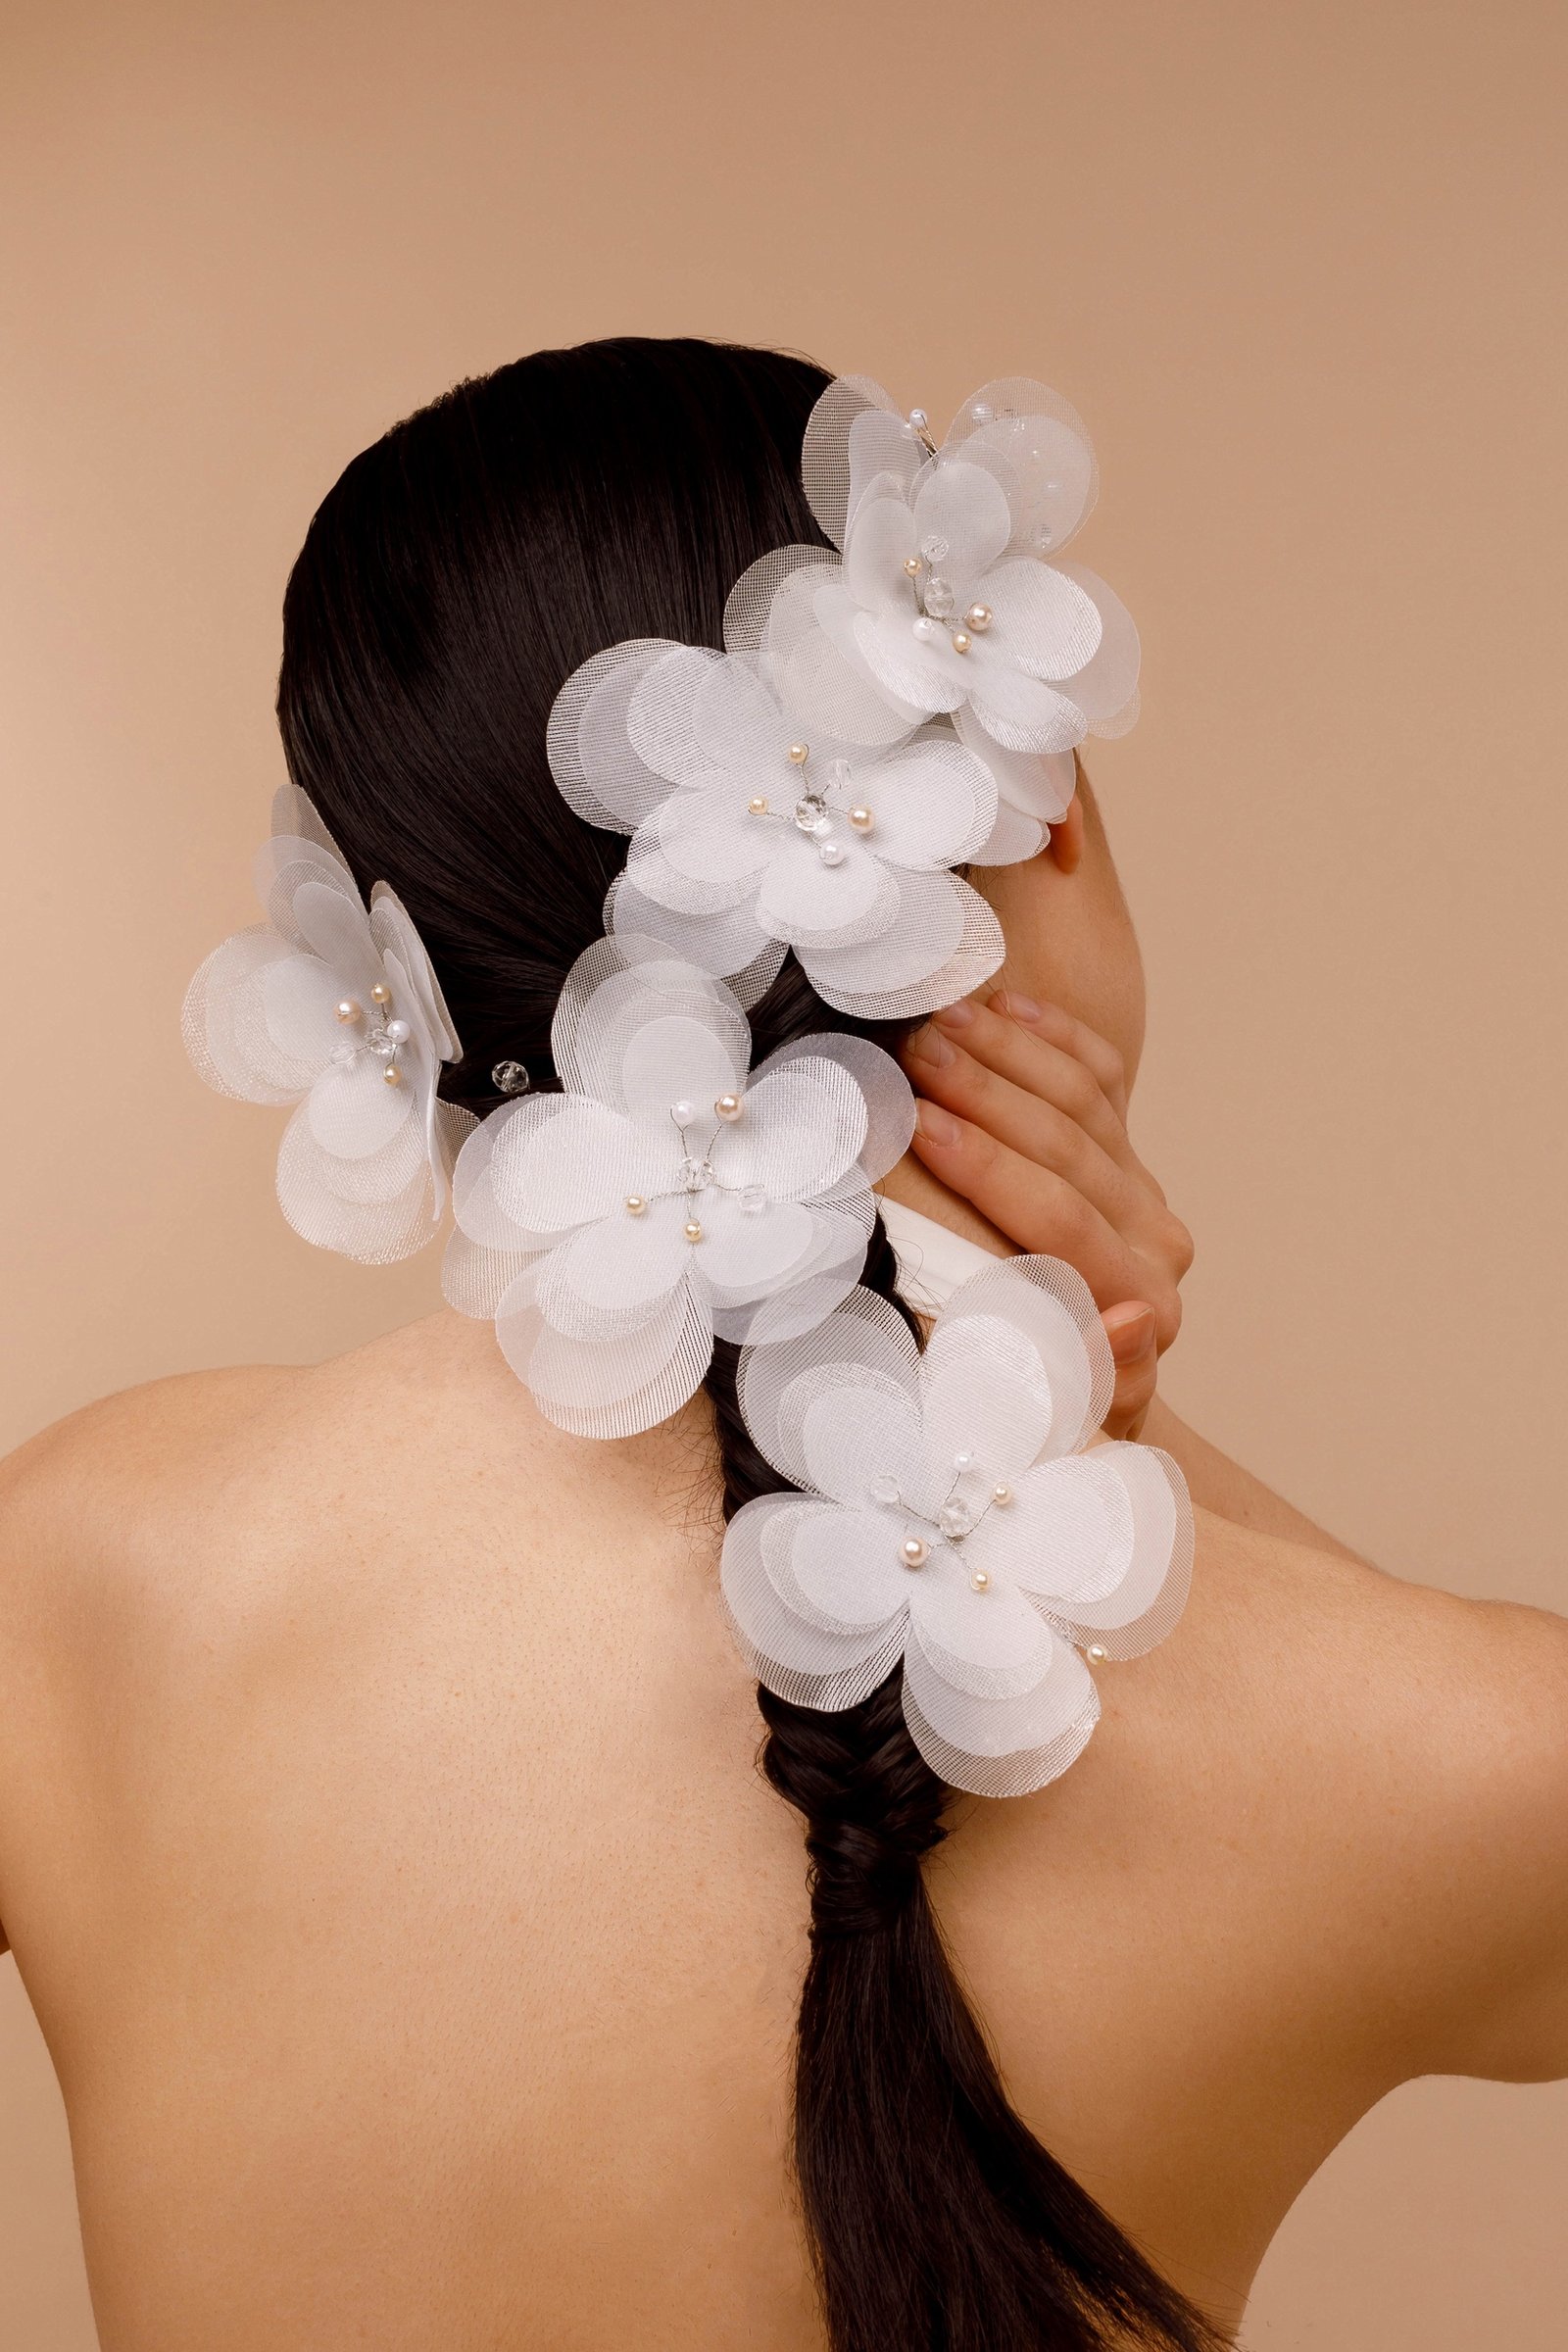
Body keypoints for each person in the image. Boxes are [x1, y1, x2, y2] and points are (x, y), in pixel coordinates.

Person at [0, 336, 1563, 2352]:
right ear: (1043, 802)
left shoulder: (82, 1568)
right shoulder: (1407, 1743)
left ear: (398, 959)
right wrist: (1100, 1408)